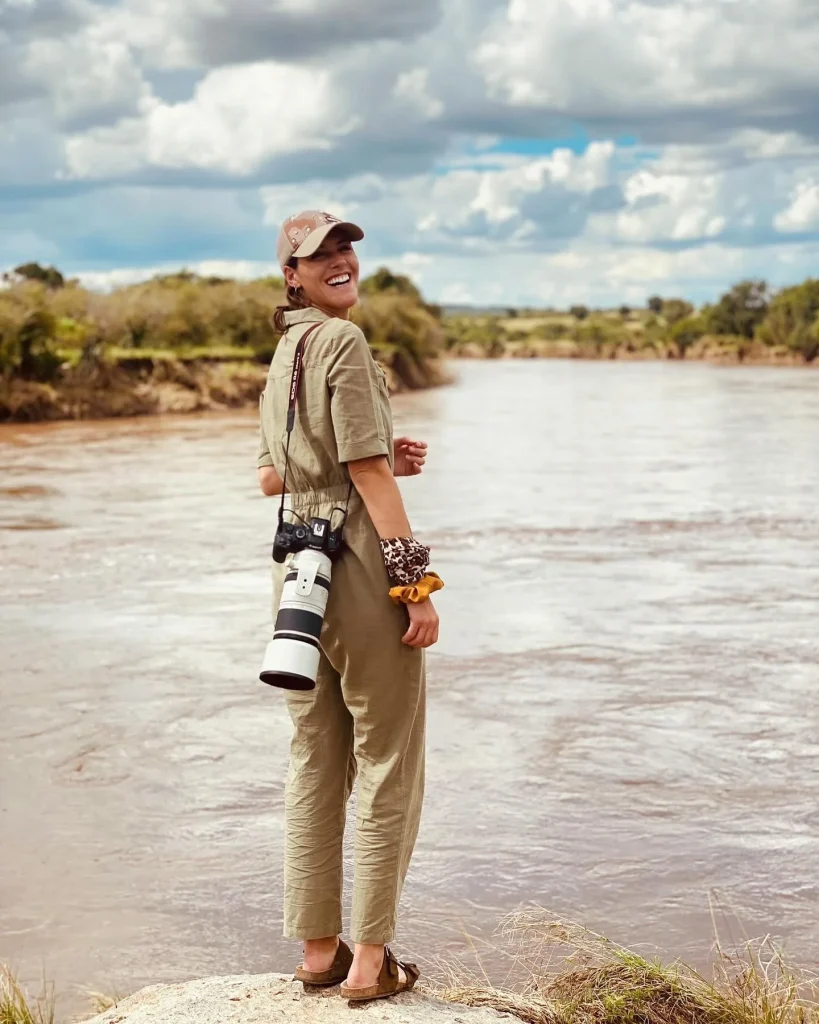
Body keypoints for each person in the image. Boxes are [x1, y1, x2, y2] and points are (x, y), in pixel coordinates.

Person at [256, 210, 443, 1002]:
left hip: (297, 568)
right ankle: (370, 964)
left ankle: (316, 951)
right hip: (359, 565)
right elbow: (366, 473)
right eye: (319, 254)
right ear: (291, 274)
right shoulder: (344, 342)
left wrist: (375, 454)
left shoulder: (284, 352)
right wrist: (414, 584)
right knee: (388, 758)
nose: (340, 261)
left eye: (345, 248)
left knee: (313, 759)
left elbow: (275, 477)